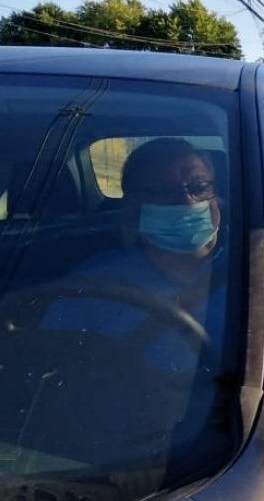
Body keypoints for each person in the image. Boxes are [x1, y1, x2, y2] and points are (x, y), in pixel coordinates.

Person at [44, 137, 228, 374]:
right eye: (164, 191)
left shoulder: (257, 273)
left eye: (199, 187)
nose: (187, 200)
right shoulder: (94, 283)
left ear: (217, 198)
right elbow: (55, 366)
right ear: (133, 206)